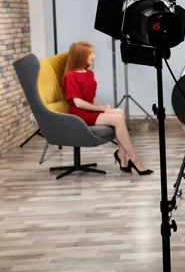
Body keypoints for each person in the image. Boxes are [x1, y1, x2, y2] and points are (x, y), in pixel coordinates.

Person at [61, 41, 153, 175]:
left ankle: (121, 156)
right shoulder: (70, 76)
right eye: (90, 53)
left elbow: (89, 100)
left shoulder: (88, 73)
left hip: (89, 110)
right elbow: (79, 103)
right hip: (79, 115)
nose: (94, 56)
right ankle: (135, 159)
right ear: (81, 56)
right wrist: (102, 110)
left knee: (120, 112)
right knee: (117, 120)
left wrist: (102, 107)